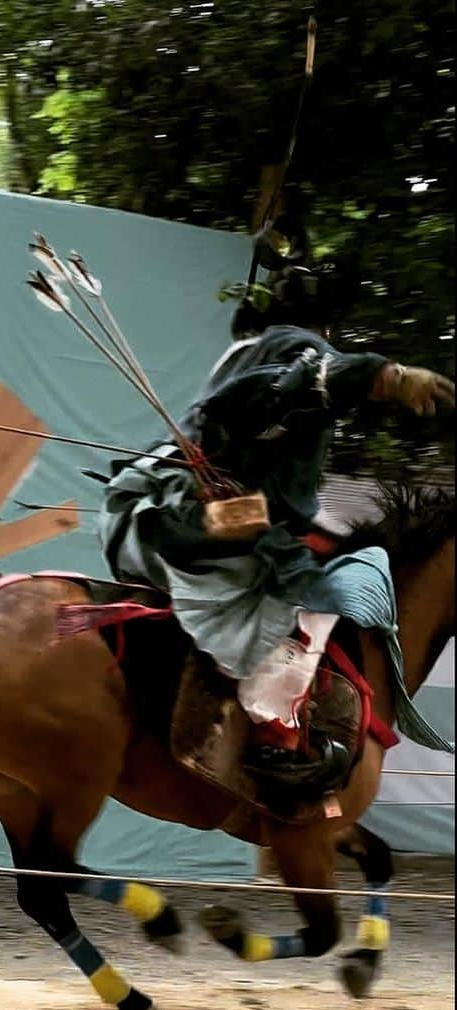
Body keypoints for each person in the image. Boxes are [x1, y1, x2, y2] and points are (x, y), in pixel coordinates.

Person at [96, 256, 454, 801]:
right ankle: (274, 738)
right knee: (300, 595)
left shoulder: (247, 351)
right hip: (199, 517)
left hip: (164, 509)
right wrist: (388, 376)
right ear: (325, 324)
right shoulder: (294, 349)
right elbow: (302, 382)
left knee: (314, 559)